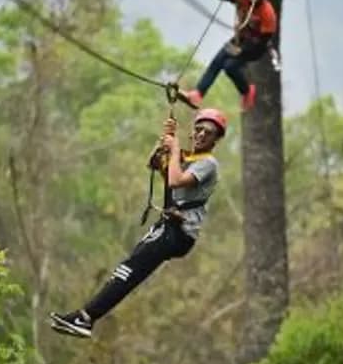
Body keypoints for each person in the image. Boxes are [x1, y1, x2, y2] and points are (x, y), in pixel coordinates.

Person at [50, 108, 228, 338]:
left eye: (209, 132)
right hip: (168, 228)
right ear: (192, 131)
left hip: (177, 233)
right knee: (126, 270)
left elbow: (175, 181)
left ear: (217, 139)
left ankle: (85, 318)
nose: (202, 134)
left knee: (127, 271)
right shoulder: (187, 158)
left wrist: (173, 149)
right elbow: (157, 166)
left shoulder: (208, 163)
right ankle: (84, 317)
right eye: (199, 129)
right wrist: (165, 146)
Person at [181, 0, 278, 112]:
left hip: (255, 47)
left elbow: (262, 43)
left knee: (229, 66)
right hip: (241, 39)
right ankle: (198, 94)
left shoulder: (267, 12)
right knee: (219, 62)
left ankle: (247, 91)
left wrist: (240, 51)